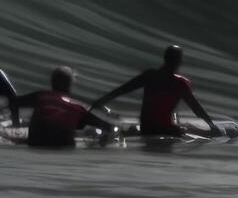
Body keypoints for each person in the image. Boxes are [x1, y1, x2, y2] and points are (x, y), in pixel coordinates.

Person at [88, 45, 219, 137]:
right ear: (179, 61)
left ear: (165, 58)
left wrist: (100, 101)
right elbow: (197, 109)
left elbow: (122, 90)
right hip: (166, 130)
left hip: (147, 129)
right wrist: (212, 126)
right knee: (191, 131)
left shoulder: (149, 75)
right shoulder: (180, 84)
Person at [13, 66, 120, 147]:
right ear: (69, 84)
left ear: (52, 82)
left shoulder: (40, 96)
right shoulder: (77, 106)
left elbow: (14, 103)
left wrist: (16, 124)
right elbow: (107, 126)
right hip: (62, 147)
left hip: (35, 143)